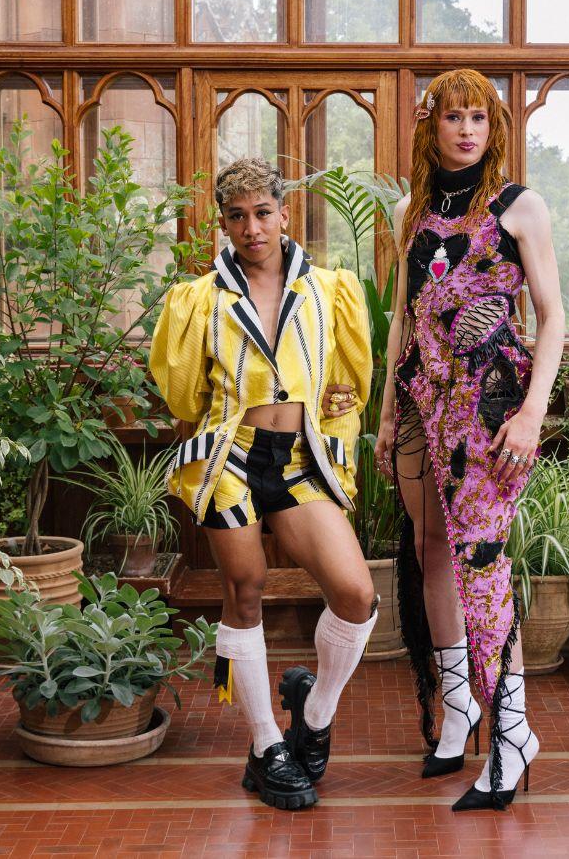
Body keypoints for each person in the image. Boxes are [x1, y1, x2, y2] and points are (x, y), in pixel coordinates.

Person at [148, 157, 378, 811]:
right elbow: (182, 393)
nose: (252, 227)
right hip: (232, 456)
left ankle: (314, 713)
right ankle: (263, 744)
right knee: (244, 590)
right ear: (223, 222)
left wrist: (339, 406)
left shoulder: (330, 291)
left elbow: (345, 389)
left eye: (263, 212)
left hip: (301, 458)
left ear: (284, 213)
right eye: (238, 216)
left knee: (356, 593)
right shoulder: (201, 299)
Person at [374, 70, 566, 811]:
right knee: (429, 548)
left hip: (491, 408)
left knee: (481, 559)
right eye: (452, 117)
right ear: (432, 127)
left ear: (493, 129)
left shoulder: (521, 208)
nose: (465, 130)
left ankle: (513, 730)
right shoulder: (409, 212)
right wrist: (389, 410)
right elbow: (401, 317)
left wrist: (531, 414)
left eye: (477, 119)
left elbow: (550, 316)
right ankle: (460, 707)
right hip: (424, 403)